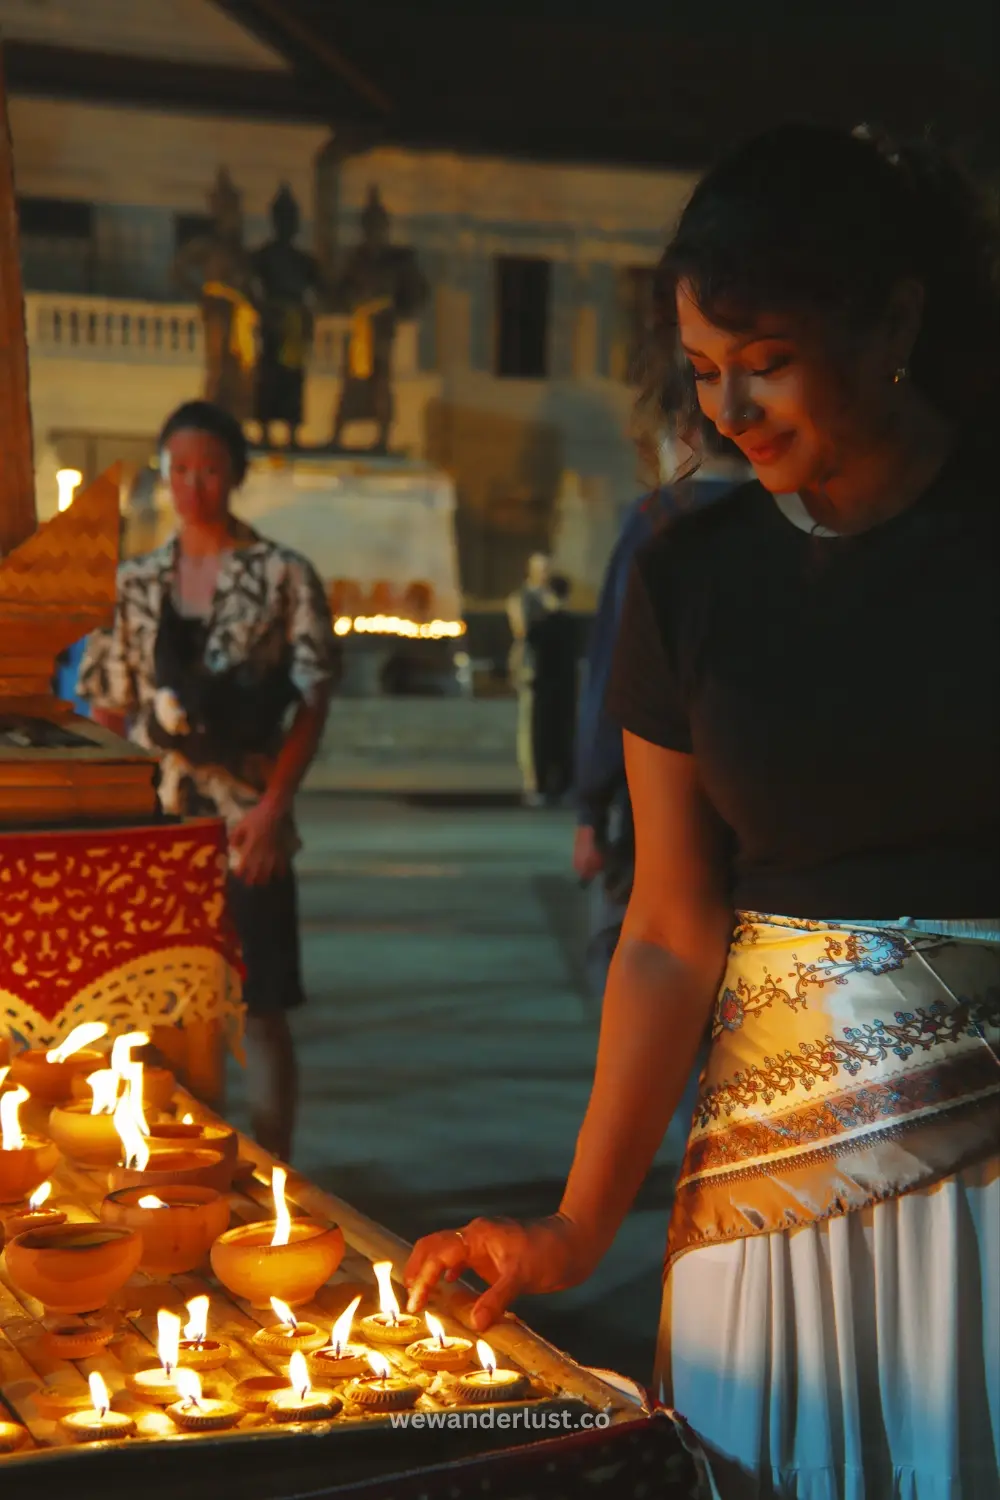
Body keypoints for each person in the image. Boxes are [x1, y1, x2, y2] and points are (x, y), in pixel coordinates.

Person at [405, 123, 1000, 1498]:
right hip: (761, 1197)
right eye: (705, 371)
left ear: (895, 318)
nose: (729, 408)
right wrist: (574, 1224)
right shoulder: (694, 572)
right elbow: (672, 926)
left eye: (768, 363)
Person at [78, 400, 335, 1164]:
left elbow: (314, 697)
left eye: (209, 470)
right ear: (162, 475)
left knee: (261, 1004)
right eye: (178, 469)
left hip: (247, 817)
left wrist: (276, 806)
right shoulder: (135, 582)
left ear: (234, 477)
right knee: (163, 1003)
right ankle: (184, 1161)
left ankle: (278, 1165)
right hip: (158, 821)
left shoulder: (281, 574)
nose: (192, 486)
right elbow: (106, 704)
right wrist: (116, 816)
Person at [574, 422, 747, 997]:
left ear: (685, 435)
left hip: (658, 785)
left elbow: (614, 671)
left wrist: (591, 808)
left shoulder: (661, 519)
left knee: (650, 961)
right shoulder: (806, 511)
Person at [527, 574, 578, 805]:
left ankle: (543, 787)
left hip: (544, 690)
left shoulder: (540, 625)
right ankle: (565, 784)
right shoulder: (573, 626)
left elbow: (528, 650)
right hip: (567, 690)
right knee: (565, 738)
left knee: (543, 739)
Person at [506, 552, 551, 805]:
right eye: (540, 569)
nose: (544, 573)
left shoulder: (548, 597)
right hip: (530, 666)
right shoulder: (521, 598)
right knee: (530, 724)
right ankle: (532, 780)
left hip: (549, 669)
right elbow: (522, 629)